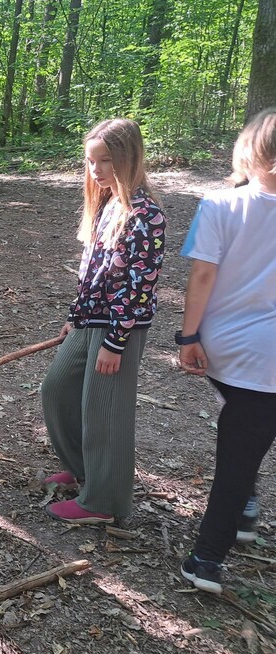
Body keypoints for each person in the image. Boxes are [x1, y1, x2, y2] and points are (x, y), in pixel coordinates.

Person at [40, 119, 166, 525]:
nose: (95, 169)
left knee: (104, 411)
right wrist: (74, 317)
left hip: (118, 327)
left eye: (105, 160)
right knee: (57, 388)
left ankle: (104, 501)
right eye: (90, 161)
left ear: (128, 158)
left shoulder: (145, 214)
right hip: (90, 319)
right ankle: (85, 471)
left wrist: (115, 342)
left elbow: (139, 286)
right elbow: (91, 272)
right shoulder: (108, 202)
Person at [177, 109, 276, 593]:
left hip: (230, 348)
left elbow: (203, 274)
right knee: (245, 442)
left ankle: (214, 549)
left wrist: (188, 336)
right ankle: (225, 536)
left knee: (242, 446)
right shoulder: (221, 202)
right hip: (259, 358)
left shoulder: (219, 205)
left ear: (249, 150)